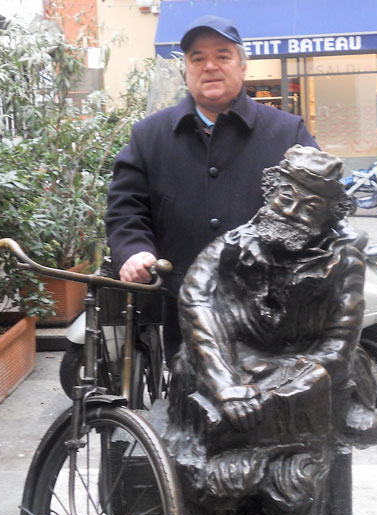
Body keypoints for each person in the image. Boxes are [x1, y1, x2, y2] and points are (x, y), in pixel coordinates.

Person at [163, 145, 377, 515]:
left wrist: (281, 390)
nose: (291, 212)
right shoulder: (227, 249)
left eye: (310, 206)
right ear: (269, 192)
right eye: (285, 196)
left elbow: (338, 345)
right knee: (212, 486)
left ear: (328, 215)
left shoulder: (343, 262)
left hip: (298, 388)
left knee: (296, 489)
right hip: (223, 379)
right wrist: (225, 382)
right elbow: (196, 305)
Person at [105, 15, 317, 362]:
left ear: (243, 66)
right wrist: (133, 251)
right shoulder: (149, 136)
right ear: (185, 70)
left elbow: (316, 211)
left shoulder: (287, 133)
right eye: (198, 58)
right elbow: (126, 208)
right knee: (189, 392)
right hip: (184, 304)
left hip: (270, 310)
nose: (210, 66)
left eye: (222, 55)